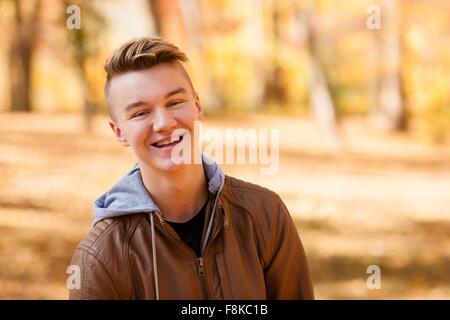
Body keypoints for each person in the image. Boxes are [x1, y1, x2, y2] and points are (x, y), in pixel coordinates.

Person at [68, 37, 314, 300]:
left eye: (174, 103)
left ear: (197, 107)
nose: (164, 123)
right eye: (141, 113)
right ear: (119, 132)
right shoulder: (101, 256)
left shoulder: (264, 214)